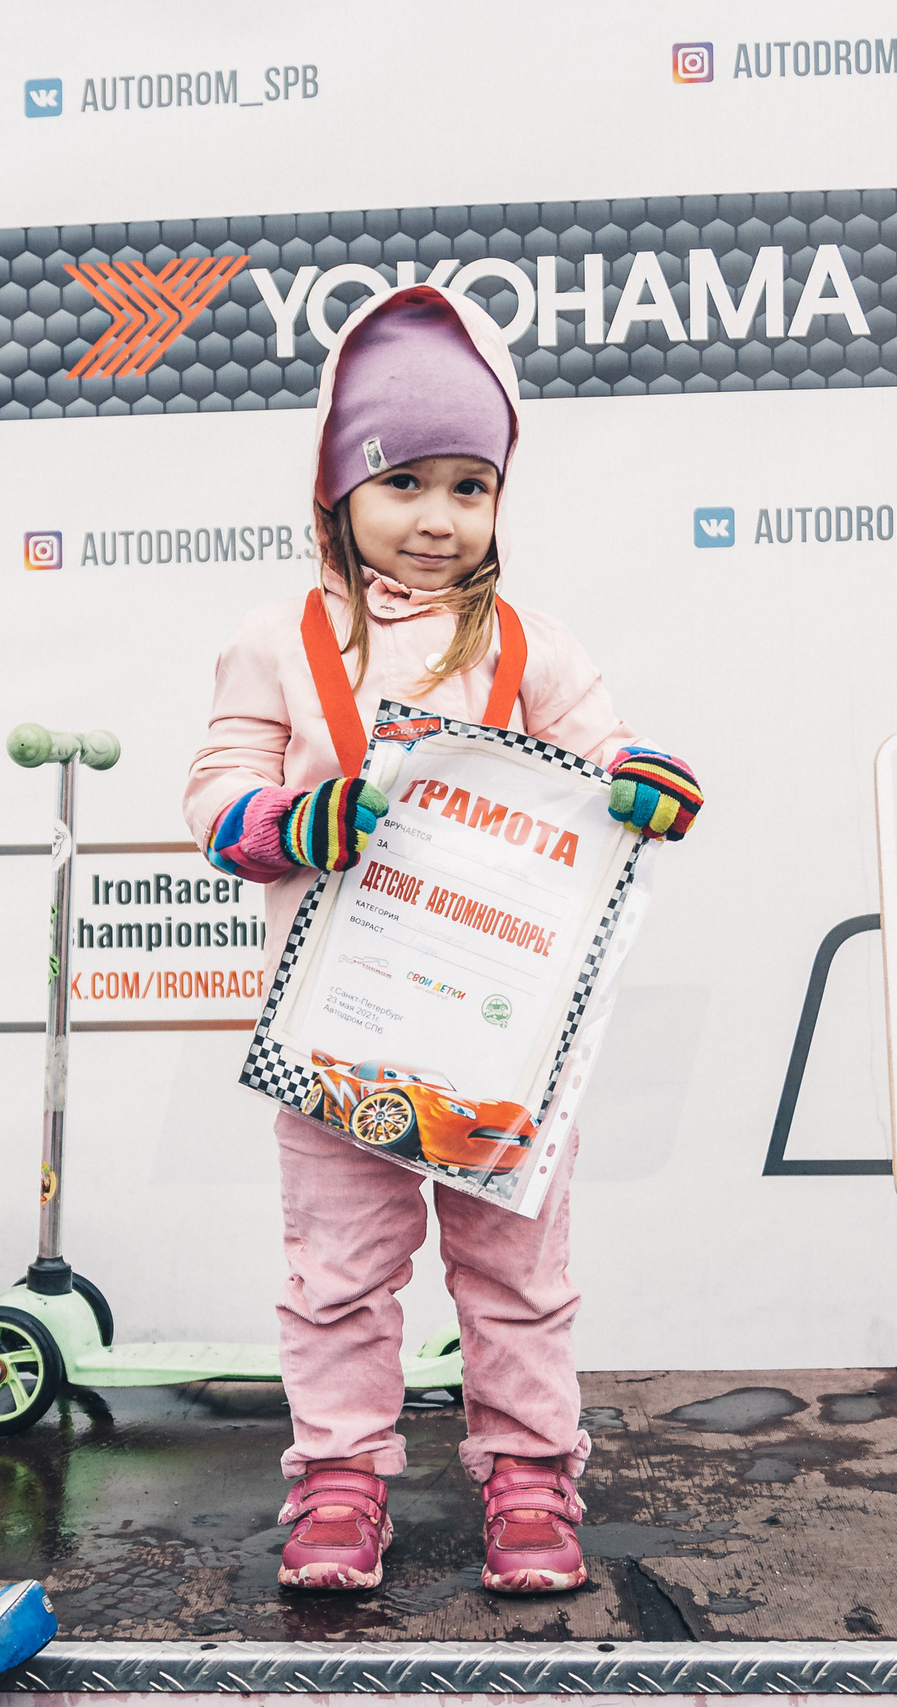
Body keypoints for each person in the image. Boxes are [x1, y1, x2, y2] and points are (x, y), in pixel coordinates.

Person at [181, 285, 702, 1595]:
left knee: (518, 1273)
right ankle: (342, 1485)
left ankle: (531, 1481)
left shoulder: (530, 642)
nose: (439, 517)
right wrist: (299, 822)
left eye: (471, 487)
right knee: (337, 1276)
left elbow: (606, 767)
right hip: (339, 1038)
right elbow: (213, 801)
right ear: (336, 488)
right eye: (405, 480)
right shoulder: (281, 643)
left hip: (503, 1044)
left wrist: (647, 785)